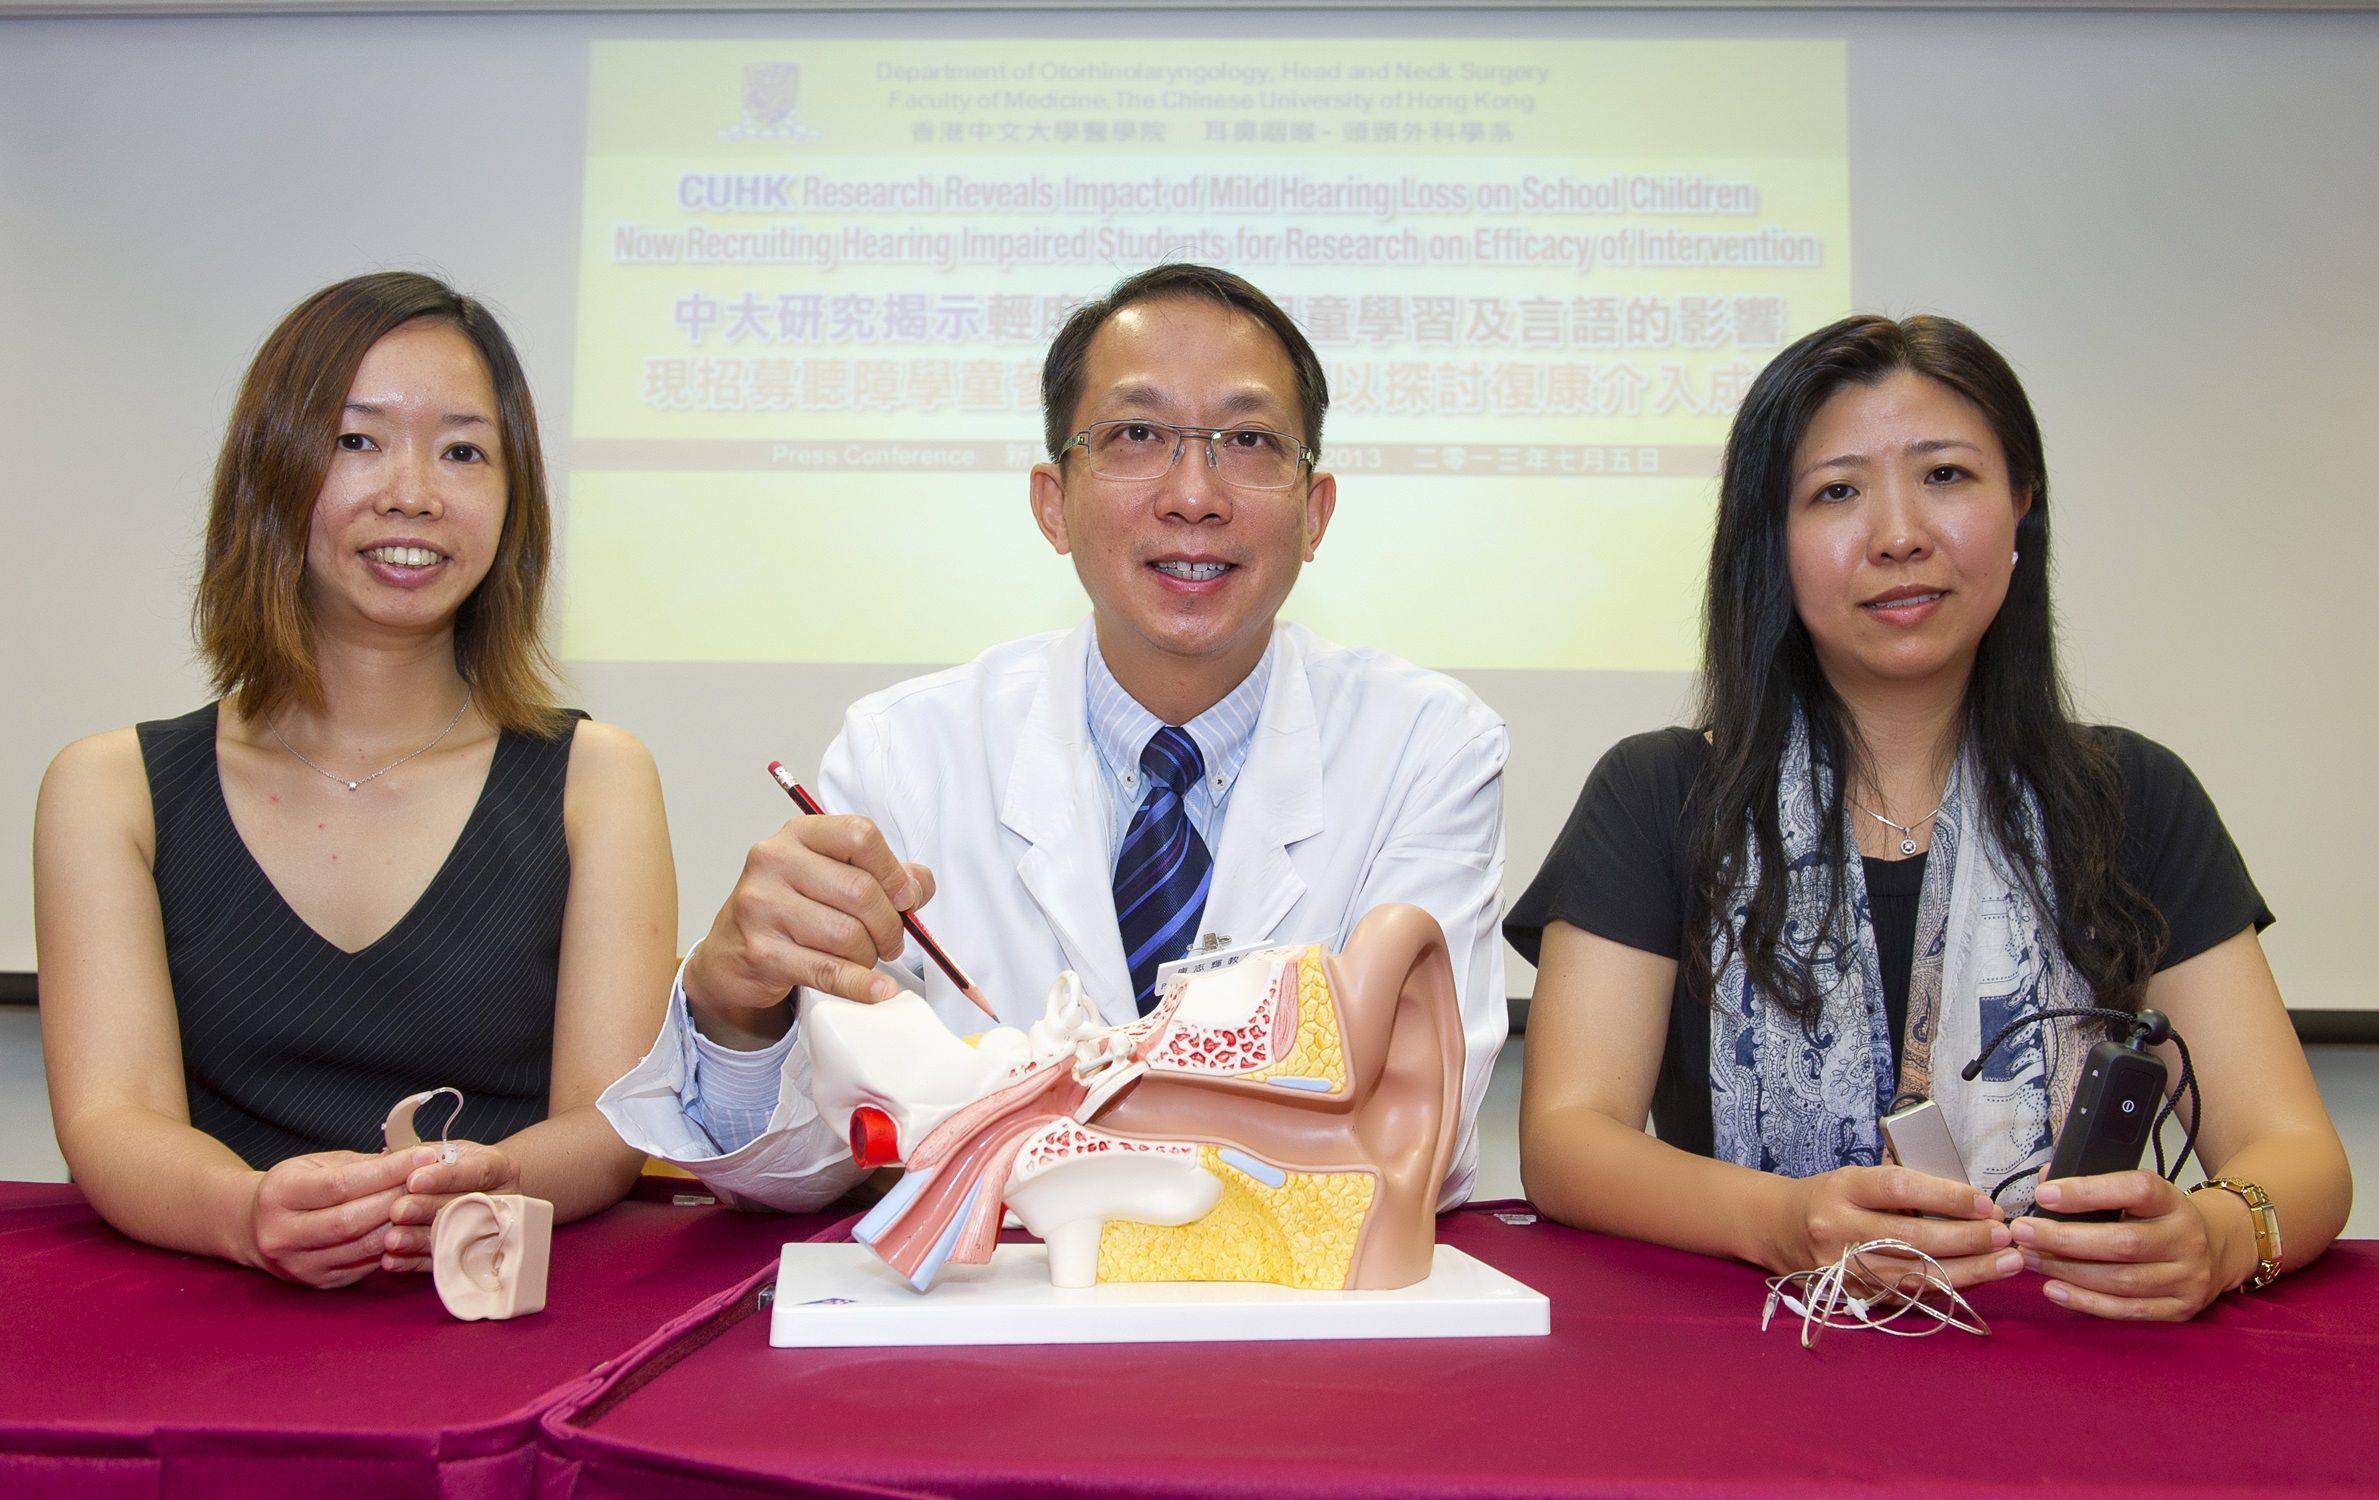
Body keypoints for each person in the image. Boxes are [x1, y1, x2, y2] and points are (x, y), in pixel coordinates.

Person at [600, 263, 1508, 1212]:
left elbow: (1415, 1138)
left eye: (1247, 440)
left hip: (1290, 1324)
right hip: (985, 1324)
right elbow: (804, 1167)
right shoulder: (905, 751)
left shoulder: (1426, 747)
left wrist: (997, 1111)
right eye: (1135, 434)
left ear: (1314, 511)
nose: (1192, 493)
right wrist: (735, 1016)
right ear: (1050, 503)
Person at [1506, 313, 2350, 1320]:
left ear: (2022, 507)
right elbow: (1567, 1139)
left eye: (1946, 476)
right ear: (1771, 543)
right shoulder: (1659, 795)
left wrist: (2217, 1234)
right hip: (1752, 1359)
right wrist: (1781, 1221)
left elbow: (2296, 1154)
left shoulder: (2129, 799)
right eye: (1836, 492)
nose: (1899, 533)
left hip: (2072, 1365)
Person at [35, 273, 676, 1289]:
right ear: (269, 470)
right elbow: (116, 1121)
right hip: (212, 1318)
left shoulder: (597, 779)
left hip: (498, 1312)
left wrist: (488, 1180)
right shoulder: (110, 789)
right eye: (357, 440)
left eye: (464, 450)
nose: (412, 492)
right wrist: (248, 1213)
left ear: (514, 507)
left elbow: (609, 1123)